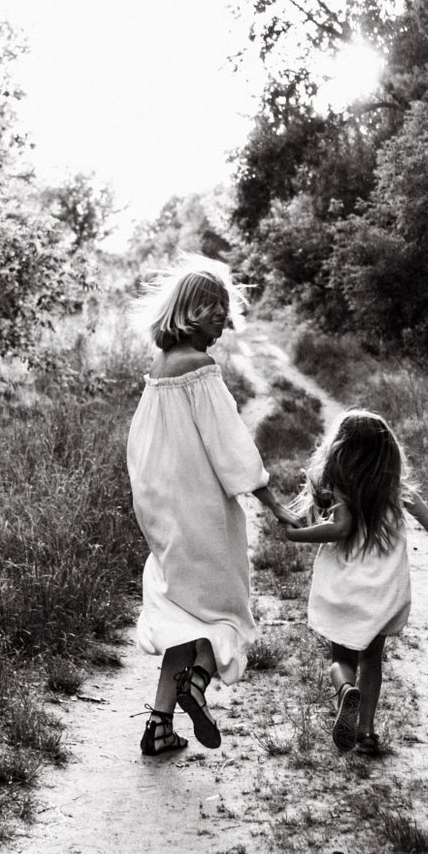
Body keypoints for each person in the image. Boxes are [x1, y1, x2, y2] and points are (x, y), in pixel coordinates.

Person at [127, 257, 297, 756]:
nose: (222, 319)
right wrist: (274, 503)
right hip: (197, 506)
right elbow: (230, 444)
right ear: (190, 312)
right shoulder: (198, 368)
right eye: (214, 310)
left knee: (184, 613)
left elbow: (143, 444)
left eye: (225, 310)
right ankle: (197, 681)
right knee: (223, 606)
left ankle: (159, 727)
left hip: (161, 506)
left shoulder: (159, 367)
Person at [281, 409, 428, 753]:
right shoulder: (397, 491)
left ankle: (346, 691)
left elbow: (340, 528)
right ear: (388, 453)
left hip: (344, 587)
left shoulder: (341, 488)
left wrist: (295, 535)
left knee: (341, 660)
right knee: (372, 658)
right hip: (383, 589)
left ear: (342, 450)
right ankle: (366, 732)